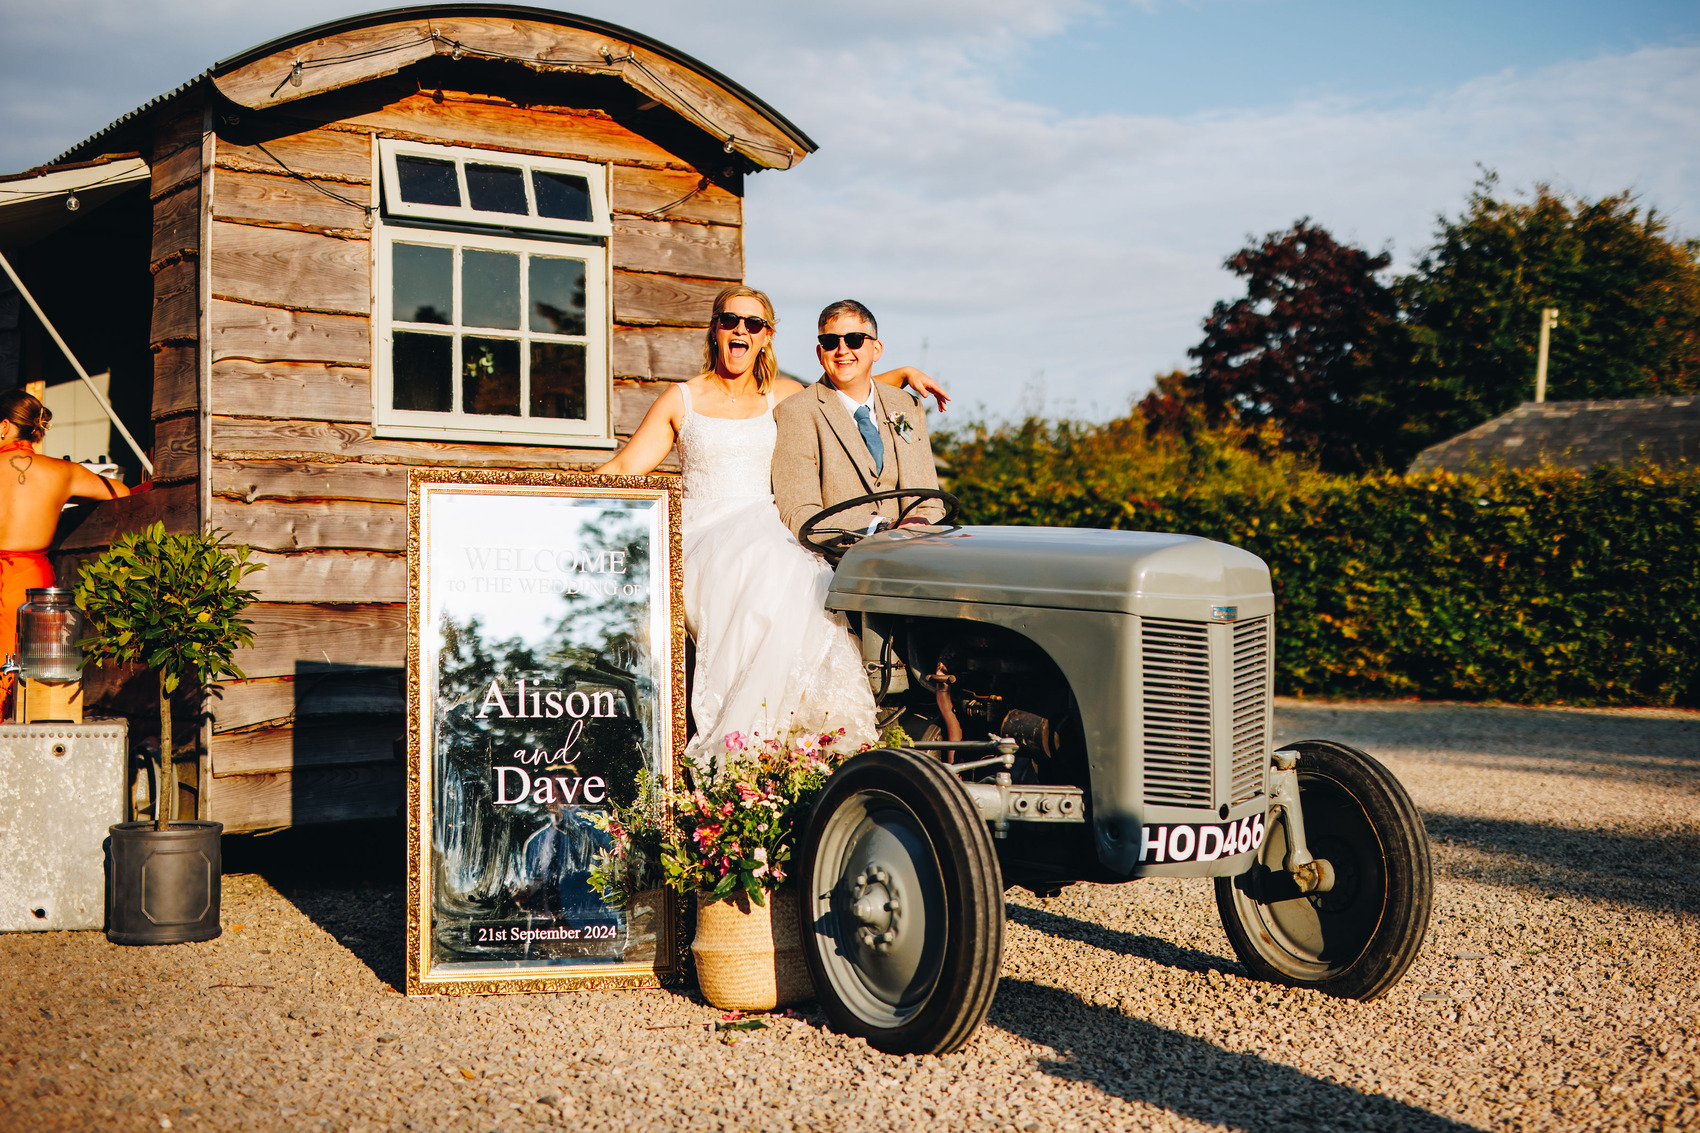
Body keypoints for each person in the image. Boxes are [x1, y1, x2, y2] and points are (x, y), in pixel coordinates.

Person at [595, 286, 944, 772]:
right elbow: (627, 465)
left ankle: (804, 741)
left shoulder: (781, 395)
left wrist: (899, 376)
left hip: (765, 521)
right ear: (715, 329)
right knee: (766, 564)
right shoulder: (683, 398)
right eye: (731, 321)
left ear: (766, 337)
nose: (742, 330)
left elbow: (841, 397)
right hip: (705, 529)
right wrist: (550, 491)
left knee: (805, 573)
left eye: (754, 325)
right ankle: (740, 740)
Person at [772, 300, 945, 543]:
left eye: (854, 339)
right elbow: (798, 514)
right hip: (838, 560)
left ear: (876, 349)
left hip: (912, 555)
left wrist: (916, 533)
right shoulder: (796, 412)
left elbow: (930, 502)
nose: (842, 350)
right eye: (830, 342)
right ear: (820, 352)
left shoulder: (907, 406)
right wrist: (882, 527)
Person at [0, 389, 130, 705]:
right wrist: (61, 495)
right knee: (28, 678)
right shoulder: (61, 472)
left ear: (4, 427)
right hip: (29, 585)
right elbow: (121, 491)